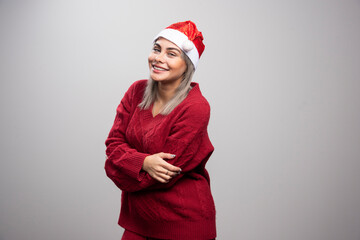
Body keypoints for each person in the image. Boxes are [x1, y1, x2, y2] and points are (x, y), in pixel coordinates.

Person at [104, 20, 216, 240]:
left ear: (188, 65)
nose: (158, 58)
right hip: (137, 220)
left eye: (171, 54)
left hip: (183, 224)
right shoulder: (136, 92)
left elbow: (162, 176)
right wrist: (143, 162)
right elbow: (112, 146)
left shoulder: (196, 108)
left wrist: (120, 164)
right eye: (156, 49)